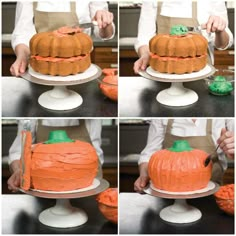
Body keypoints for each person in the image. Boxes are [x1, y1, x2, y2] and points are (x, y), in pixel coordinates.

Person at [10, 1, 115, 76]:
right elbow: (22, 33)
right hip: (41, 71)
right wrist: (22, 56)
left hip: (80, 71)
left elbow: (104, 34)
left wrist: (105, 22)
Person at [134, 119, 234, 193]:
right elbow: (149, 154)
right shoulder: (161, 115)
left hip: (213, 195)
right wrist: (144, 174)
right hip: (167, 196)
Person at [133, 1, 234, 74]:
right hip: (162, 73)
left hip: (201, 72)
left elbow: (223, 44)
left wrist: (220, 31)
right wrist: (145, 54)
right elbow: (144, 38)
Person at [7, 119, 103, 192]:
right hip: (43, 191)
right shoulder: (30, 116)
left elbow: (96, 152)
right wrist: (20, 171)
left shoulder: (93, 118)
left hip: (88, 188)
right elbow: (18, 153)